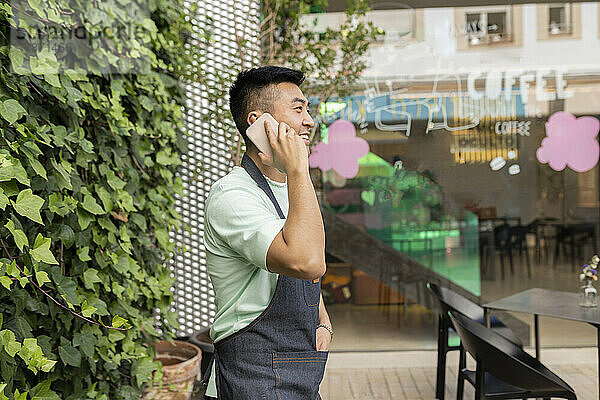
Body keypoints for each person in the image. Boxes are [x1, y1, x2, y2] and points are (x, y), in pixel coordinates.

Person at [202, 65, 333, 399]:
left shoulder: (292, 188)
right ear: (258, 121)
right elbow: (306, 262)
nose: (309, 121)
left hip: (301, 370)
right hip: (253, 376)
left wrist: (321, 319)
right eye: (298, 108)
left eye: (308, 110)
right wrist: (299, 168)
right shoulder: (233, 195)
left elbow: (310, 258)